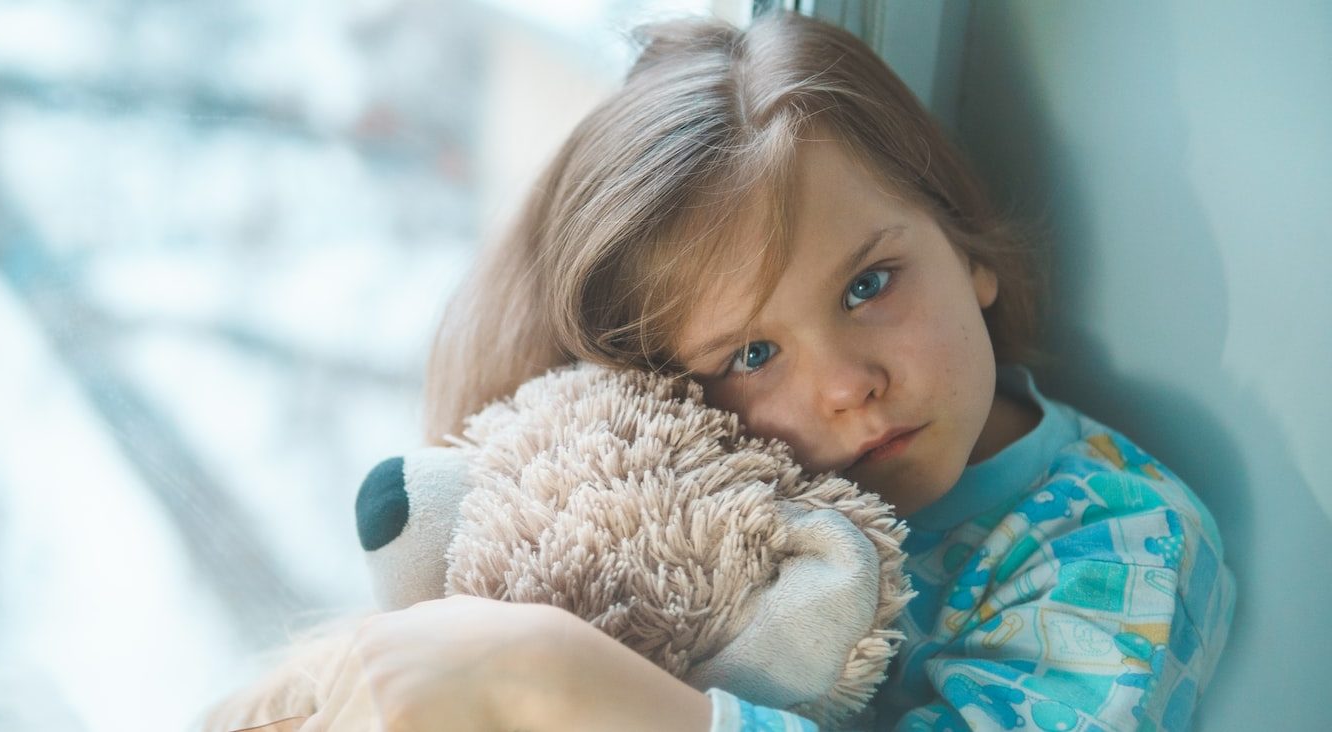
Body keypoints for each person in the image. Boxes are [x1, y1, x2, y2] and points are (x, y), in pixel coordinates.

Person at [296, 11, 1235, 732]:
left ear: (968, 247)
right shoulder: (703, 499)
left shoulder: (1117, 544)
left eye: (869, 284)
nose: (843, 384)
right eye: (752, 355)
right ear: (663, 397)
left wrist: (564, 677)